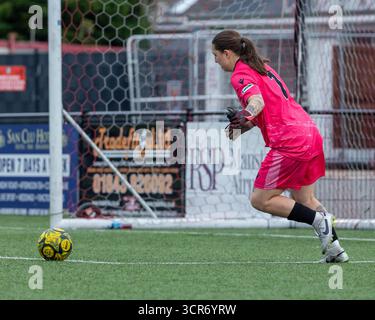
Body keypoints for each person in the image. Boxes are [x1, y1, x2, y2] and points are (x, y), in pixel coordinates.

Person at [212, 30, 348, 263]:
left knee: (260, 199)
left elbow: (257, 102)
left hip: (290, 142)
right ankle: (335, 250)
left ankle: (319, 220)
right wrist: (238, 127)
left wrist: (244, 113)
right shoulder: (262, 67)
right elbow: (264, 111)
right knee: (305, 199)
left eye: (215, 55)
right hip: (309, 132)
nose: (215, 60)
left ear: (227, 53)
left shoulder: (240, 75)